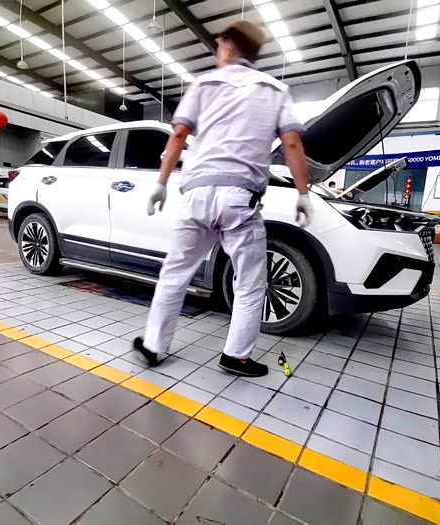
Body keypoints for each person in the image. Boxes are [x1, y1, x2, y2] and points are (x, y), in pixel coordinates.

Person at [133, 20, 311, 378]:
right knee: (250, 282)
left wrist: (161, 183)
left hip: (197, 195)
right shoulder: (275, 91)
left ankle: (153, 347)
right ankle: (236, 357)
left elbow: (178, 135)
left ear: (228, 49)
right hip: (240, 200)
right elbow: (292, 143)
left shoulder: (203, 84)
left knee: (175, 273)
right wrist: (303, 193)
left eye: (219, 49)